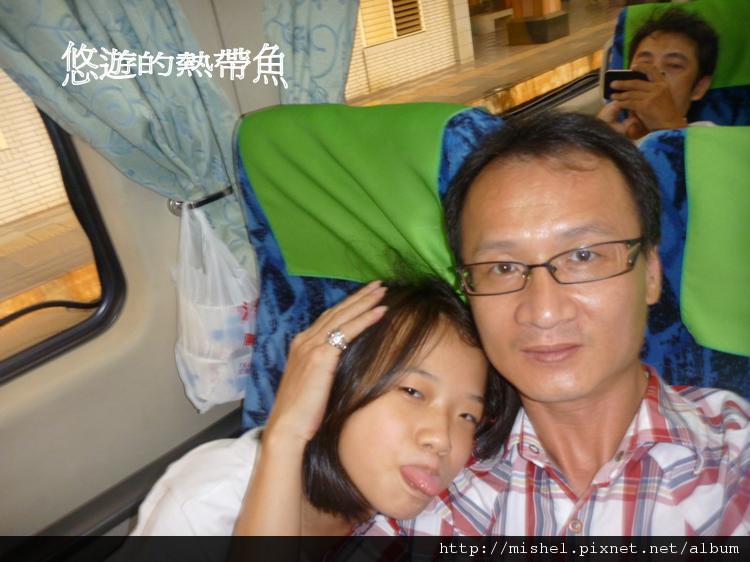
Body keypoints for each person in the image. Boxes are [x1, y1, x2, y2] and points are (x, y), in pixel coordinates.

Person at [360, 111, 750, 536]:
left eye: (584, 255)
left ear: (652, 274)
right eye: (502, 267)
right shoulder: (432, 477)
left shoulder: (734, 454)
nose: (543, 311)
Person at [130, 279, 518, 536]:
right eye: (414, 392)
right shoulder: (203, 506)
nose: (443, 439)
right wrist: (286, 435)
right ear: (336, 384)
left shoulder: (413, 508)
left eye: (468, 416)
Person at [597, 7, 718, 141]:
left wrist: (669, 126)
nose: (654, 74)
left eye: (674, 65)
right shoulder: (614, 134)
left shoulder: (710, 139)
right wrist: (601, 139)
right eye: (645, 63)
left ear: (699, 88)